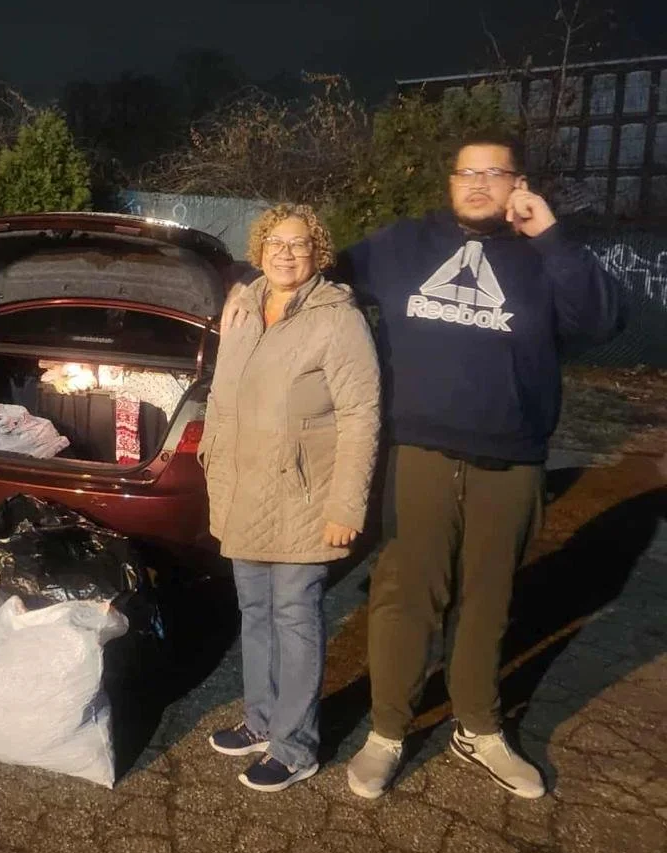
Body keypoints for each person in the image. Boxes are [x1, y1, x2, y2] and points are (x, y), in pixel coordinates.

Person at [335, 136, 624, 800]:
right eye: (466, 172)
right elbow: (323, 272)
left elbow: (602, 319)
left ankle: (479, 728)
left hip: (512, 458)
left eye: (493, 173)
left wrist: (550, 234)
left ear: (518, 183)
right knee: (406, 598)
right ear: (450, 181)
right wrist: (245, 282)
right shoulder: (405, 243)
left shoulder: (541, 255)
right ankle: (386, 732)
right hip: (421, 453)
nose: (476, 184)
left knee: (488, 602)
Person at [200, 203, 380, 792]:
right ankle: (261, 721)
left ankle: (296, 747)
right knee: (254, 612)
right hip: (244, 489)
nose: (285, 252)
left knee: (294, 615)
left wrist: (346, 506)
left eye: (299, 244)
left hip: (305, 497)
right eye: (275, 242)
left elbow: (360, 415)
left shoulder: (338, 320)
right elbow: (224, 397)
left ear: (317, 253)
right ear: (259, 250)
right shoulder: (246, 307)